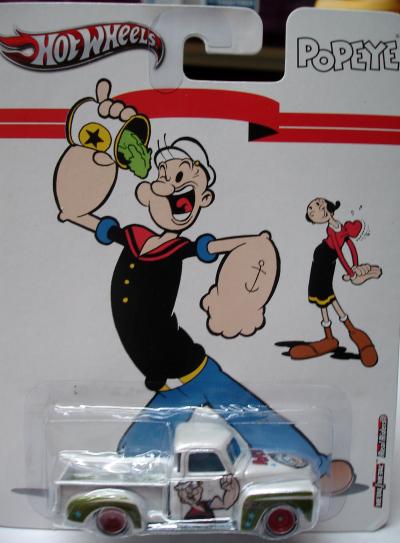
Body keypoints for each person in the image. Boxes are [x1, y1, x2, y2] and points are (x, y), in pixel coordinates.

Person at [54, 80, 355, 495]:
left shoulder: (176, 247)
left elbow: (210, 247)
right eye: (165, 179)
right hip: (169, 376)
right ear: (147, 191)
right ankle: (136, 484)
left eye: (184, 185)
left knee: (246, 416)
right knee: (160, 437)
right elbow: (91, 219)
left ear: (203, 199)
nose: (171, 187)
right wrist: (73, 205)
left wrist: (254, 245)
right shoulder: (135, 236)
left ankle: (316, 467)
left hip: (186, 368)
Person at [290, 197, 381, 366]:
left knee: (327, 294)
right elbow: (339, 251)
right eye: (312, 212)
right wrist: (350, 271)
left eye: (318, 205)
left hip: (328, 261)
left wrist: (355, 265)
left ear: (328, 207)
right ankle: (332, 336)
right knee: (323, 296)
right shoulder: (331, 230)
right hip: (322, 259)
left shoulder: (340, 226)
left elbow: (349, 245)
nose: (316, 210)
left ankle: (346, 332)